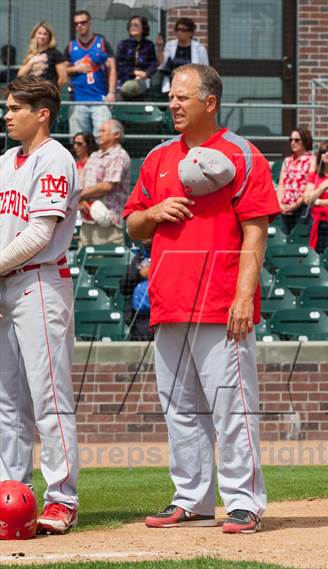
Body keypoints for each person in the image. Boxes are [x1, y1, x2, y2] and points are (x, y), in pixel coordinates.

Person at [123, 63, 280, 534]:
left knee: (232, 406)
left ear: (209, 102)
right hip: (168, 300)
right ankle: (191, 499)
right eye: (171, 96)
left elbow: (256, 233)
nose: (172, 104)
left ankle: (244, 502)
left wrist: (242, 298)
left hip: (219, 301)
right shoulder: (157, 159)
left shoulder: (244, 154)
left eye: (182, 97)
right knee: (180, 409)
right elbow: (132, 224)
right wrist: (153, 211)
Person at [0, 75, 79, 533]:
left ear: (42, 112)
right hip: (7, 285)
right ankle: (12, 493)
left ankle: (62, 498)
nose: (7, 114)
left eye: (15, 107)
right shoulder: (7, 160)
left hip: (41, 282)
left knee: (49, 399)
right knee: (7, 402)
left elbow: (39, 233)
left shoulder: (56, 159)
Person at [79, 119, 130, 246]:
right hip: (87, 221)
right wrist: (81, 200)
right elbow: (82, 182)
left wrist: (80, 195)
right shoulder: (94, 155)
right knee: (83, 261)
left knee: (105, 261)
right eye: (99, 131)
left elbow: (107, 186)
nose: (99, 134)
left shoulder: (119, 155)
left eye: (103, 131)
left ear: (116, 134)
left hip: (108, 224)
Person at [64, 10, 116, 137]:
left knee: (103, 138)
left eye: (83, 22)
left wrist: (112, 93)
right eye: (76, 24)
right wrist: (77, 68)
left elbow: (113, 68)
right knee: (79, 140)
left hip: (100, 99)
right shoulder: (71, 46)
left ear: (90, 23)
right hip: (78, 100)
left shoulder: (102, 43)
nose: (79, 26)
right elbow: (62, 71)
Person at [276, 128, 316, 235]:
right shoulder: (287, 161)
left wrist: (295, 204)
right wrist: (280, 204)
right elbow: (281, 184)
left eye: (297, 140)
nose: (293, 143)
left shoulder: (312, 160)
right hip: (285, 208)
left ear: (305, 141)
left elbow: (309, 186)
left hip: (301, 207)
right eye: (291, 140)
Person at [158, 18, 208, 94]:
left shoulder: (199, 48)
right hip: (172, 85)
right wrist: (160, 48)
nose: (179, 32)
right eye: (177, 30)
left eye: (183, 30)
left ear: (191, 32)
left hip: (191, 86)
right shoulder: (170, 45)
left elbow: (205, 70)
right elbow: (161, 64)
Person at [116, 15, 157, 99]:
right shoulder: (123, 44)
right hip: (124, 82)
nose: (132, 27)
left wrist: (146, 73)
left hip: (143, 82)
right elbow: (119, 66)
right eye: (131, 25)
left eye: (136, 25)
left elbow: (153, 63)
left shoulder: (148, 45)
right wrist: (135, 72)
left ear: (143, 28)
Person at [119, 240, 153, 341]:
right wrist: (139, 274)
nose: (145, 237)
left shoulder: (164, 255)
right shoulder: (139, 257)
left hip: (156, 317)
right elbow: (124, 287)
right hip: (138, 319)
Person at [18, 22, 67, 89]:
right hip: (31, 93)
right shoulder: (31, 54)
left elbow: (63, 79)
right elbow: (20, 76)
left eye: (45, 34)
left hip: (47, 95)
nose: (42, 36)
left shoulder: (55, 53)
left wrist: (52, 92)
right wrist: (31, 62)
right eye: (39, 33)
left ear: (50, 37)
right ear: (34, 35)